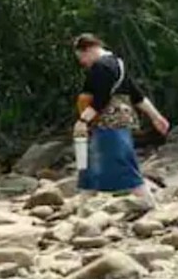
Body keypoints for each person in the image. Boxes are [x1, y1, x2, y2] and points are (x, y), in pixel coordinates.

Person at [72, 33, 171, 208]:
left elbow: (100, 99)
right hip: (118, 121)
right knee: (90, 165)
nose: (82, 63)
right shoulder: (118, 64)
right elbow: (136, 95)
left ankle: (152, 204)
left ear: (88, 50)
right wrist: (156, 117)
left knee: (121, 163)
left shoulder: (101, 67)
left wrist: (82, 120)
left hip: (107, 123)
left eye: (82, 57)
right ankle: (81, 207)